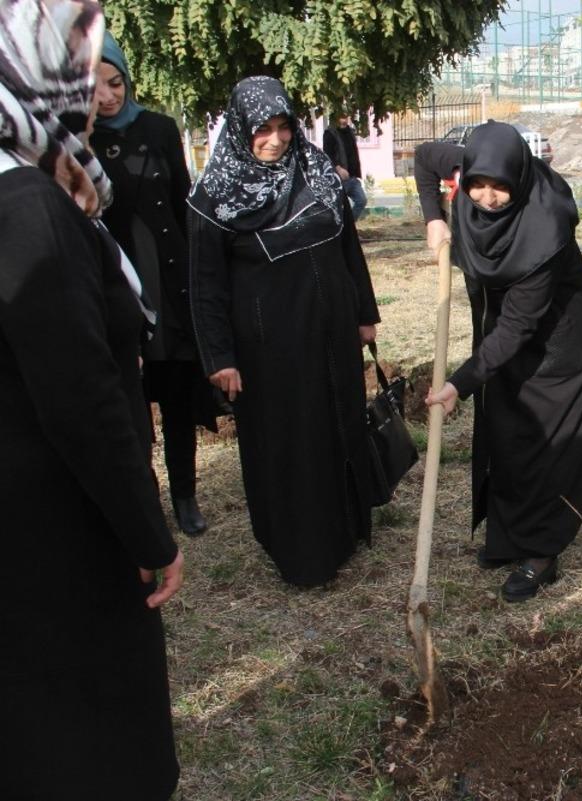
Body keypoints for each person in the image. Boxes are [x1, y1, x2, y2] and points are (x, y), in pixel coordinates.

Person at [1, 1, 183, 797]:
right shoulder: (28, 208)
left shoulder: (43, 188)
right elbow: (79, 396)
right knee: (87, 734)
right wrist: (149, 531)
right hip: (58, 527)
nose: (87, 82)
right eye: (73, 60)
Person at [188, 76, 381, 587]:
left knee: (337, 425)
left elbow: (348, 247)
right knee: (290, 441)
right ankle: (302, 554)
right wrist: (219, 357)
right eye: (261, 130)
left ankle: (346, 530)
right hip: (269, 346)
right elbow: (204, 286)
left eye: (282, 128)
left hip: (333, 331)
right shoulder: (215, 195)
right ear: (238, 130)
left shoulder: (314, 169)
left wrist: (364, 312)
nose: (274, 140)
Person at [417, 122, 582, 603]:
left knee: (544, 437)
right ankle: (508, 536)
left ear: (519, 178)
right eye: (478, 183)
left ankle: (541, 552)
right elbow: (421, 158)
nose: (488, 197)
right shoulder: (461, 164)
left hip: (558, 335)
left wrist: (460, 382)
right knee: (504, 425)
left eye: (501, 187)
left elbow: (518, 328)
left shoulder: (546, 226)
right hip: (503, 319)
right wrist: (433, 216)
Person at [92, 32, 216, 536]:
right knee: (131, 408)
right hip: (116, 293)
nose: (107, 96)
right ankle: (148, 501)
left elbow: (185, 204)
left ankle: (185, 496)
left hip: (169, 288)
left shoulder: (161, 129)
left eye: (115, 82)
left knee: (178, 398)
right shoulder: (74, 141)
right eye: (93, 86)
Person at [323, 114, 368, 221]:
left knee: (361, 200)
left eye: (346, 115)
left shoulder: (350, 132)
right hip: (338, 179)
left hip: (352, 177)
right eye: (342, 115)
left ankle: (348, 227)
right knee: (337, 207)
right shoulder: (330, 133)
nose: (345, 118)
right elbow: (327, 155)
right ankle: (339, 231)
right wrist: (338, 168)